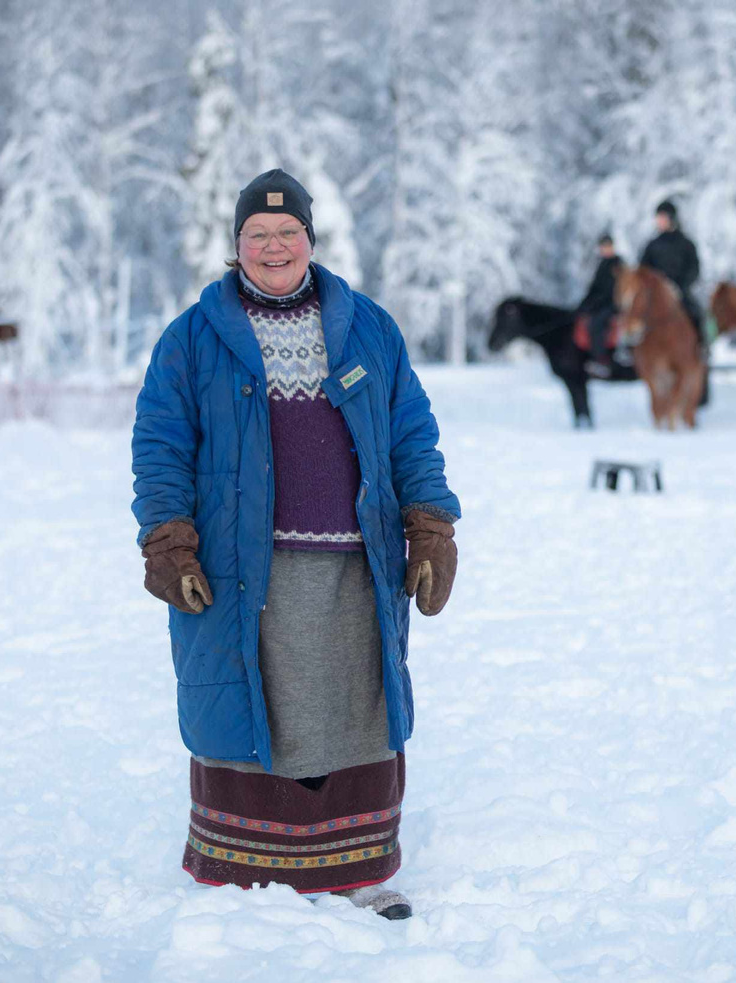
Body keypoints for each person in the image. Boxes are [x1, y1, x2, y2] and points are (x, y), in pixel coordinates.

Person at [132, 168, 460, 920]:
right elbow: (159, 445)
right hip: (243, 567)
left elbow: (411, 432)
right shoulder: (190, 338)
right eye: (257, 235)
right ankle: (243, 874)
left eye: (287, 233)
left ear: (310, 239)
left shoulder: (369, 326)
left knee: (355, 706)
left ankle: (361, 869)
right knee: (255, 705)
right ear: (236, 246)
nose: (273, 247)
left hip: (356, 559)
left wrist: (430, 524)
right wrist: (169, 540)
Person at [640, 200, 708, 402]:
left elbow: (694, 268)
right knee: (637, 315)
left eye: (662, 217)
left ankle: (701, 347)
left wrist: (680, 286)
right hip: (656, 296)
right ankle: (633, 348)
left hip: (680, 291)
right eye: (657, 218)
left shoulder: (686, 244)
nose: (659, 221)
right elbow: (643, 270)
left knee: (697, 313)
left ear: (672, 219)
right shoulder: (652, 245)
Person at [578, 234, 623, 376]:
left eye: (607, 246)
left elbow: (615, 288)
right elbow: (594, 288)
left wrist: (598, 302)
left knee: (596, 323)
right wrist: (583, 306)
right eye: (602, 247)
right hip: (599, 304)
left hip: (613, 304)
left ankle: (601, 360)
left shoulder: (618, 264)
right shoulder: (602, 264)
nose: (604, 249)